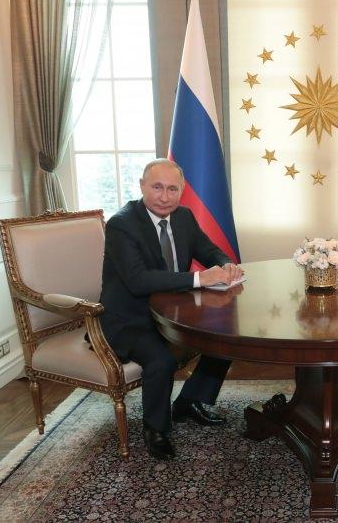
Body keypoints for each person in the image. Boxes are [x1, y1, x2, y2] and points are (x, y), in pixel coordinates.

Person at [99, 158, 244, 460]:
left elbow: (208, 250)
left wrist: (226, 264)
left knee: (226, 339)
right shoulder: (121, 224)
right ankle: (156, 429)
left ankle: (190, 401)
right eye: (157, 187)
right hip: (131, 317)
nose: (164, 197)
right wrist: (200, 279)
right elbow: (138, 281)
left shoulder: (184, 216)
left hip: (174, 311)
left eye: (172, 189)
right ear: (142, 186)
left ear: (181, 190)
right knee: (161, 361)